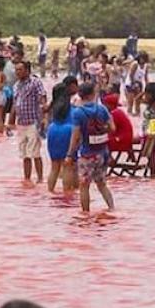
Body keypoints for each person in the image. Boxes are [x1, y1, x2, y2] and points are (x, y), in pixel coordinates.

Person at [68, 82, 117, 214]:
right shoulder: (102, 109)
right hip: (102, 153)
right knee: (102, 184)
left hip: (87, 154)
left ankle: (85, 214)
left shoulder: (77, 113)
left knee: (84, 185)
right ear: (93, 94)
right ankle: (112, 209)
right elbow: (112, 128)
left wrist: (69, 154)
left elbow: (75, 136)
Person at [12, 60, 48, 183]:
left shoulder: (35, 82)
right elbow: (15, 104)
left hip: (33, 122)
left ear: (27, 70)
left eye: (20, 70)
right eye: (16, 70)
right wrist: (10, 122)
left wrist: (44, 117)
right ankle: (27, 179)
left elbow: (42, 97)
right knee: (24, 154)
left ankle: (40, 178)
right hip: (21, 122)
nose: (17, 72)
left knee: (35, 152)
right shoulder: (16, 85)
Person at [46, 77, 79, 193]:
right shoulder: (73, 108)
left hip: (53, 131)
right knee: (68, 166)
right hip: (67, 132)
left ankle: (50, 191)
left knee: (54, 166)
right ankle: (67, 193)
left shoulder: (53, 108)